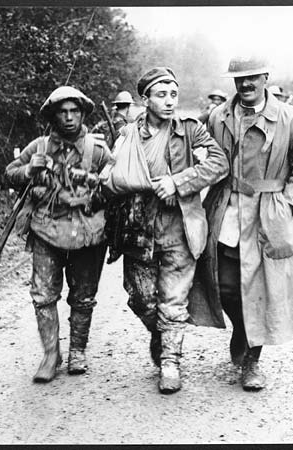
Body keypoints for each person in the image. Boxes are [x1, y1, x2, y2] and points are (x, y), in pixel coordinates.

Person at [101, 67, 229, 394]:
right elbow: (110, 175)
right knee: (140, 297)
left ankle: (171, 362)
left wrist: (179, 182)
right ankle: (160, 335)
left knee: (173, 299)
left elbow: (218, 163)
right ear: (145, 99)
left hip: (179, 227)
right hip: (137, 228)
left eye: (174, 94)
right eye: (161, 95)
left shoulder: (190, 131)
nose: (170, 101)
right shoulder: (128, 134)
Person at [203, 54, 293, 391]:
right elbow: (209, 157)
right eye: (240, 79)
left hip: (268, 213)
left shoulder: (291, 119)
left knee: (259, 289)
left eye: (253, 77)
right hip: (227, 208)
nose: (246, 84)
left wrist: (286, 203)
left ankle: (252, 361)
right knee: (223, 285)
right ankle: (242, 329)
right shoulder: (218, 116)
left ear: (266, 77)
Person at [6, 86, 112, 383]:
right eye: (62, 112)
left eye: (74, 111)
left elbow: (118, 184)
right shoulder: (38, 147)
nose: (68, 118)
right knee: (43, 295)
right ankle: (51, 354)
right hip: (46, 230)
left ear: (82, 114)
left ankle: (78, 350)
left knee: (83, 296)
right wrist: (28, 171)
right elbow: (8, 174)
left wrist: (95, 191)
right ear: (53, 116)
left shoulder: (97, 150)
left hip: (87, 233)